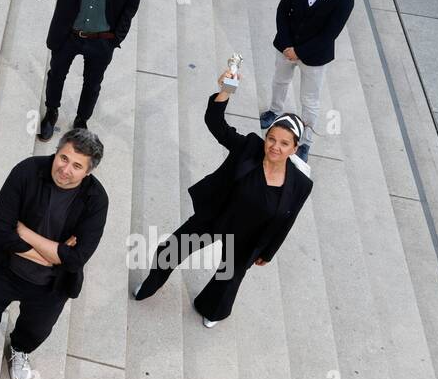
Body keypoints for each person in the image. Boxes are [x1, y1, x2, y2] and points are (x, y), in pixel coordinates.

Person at [132, 72, 313, 327]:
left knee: (228, 278)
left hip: (248, 237)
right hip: (217, 217)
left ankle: (212, 309)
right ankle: (151, 284)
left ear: (295, 148)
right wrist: (226, 90)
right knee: (170, 250)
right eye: (271, 139)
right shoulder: (249, 147)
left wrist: (268, 252)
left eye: (284, 143)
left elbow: (288, 219)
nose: (275, 147)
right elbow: (216, 123)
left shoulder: (301, 184)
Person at [0, 129, 109, 379]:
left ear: (88, 172)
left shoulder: (96, 201)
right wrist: (54, 253)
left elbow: (75, 259)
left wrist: (26, 233)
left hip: (52, 285)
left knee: (36, 329)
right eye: (63, 158)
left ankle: (20, 350)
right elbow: (2, 232)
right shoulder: (27, 171)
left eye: (76, 166)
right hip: (6, 269)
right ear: (56, 152)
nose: (65, 169)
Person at [34, 0, 141, 140]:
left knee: (93, 84)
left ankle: (82, 120)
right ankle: (51, 112)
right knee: (56, 75)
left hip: (102, 40)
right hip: (68, 35)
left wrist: (116, 39)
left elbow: (131, 6)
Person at [261, 0, 354, 163]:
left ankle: (305, 142)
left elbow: (330, 34)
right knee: (280, 82)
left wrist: (299, 52)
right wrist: (286, 45)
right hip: (286, 47)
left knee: (309, 100)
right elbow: (282, 11)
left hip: (314, 56)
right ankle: (274, 111)